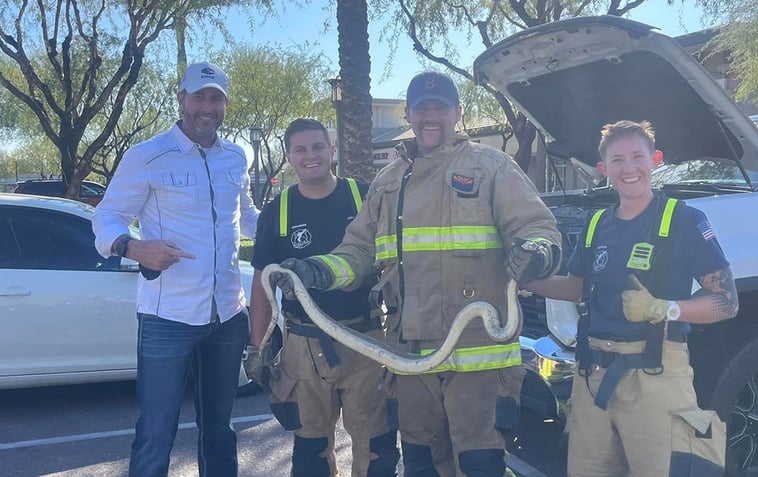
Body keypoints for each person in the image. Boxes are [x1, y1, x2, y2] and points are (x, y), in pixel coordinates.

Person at [272, 71, 562, 477]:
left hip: (478, 362)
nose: (430, 117)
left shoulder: (492, 167)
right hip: (411, 360)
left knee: (478, 465)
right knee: (422, 463)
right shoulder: (389, 183)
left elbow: (538, 227)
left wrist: (537, 251)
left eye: (440, 109)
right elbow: (358, 249)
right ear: (407, 113)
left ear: (457, 114)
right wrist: (316, 271)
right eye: (421, 109)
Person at [526, 120, 738, 477]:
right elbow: (576, 288)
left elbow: (727, 301)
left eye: (637, 157)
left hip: (655, 373)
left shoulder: (683, 220)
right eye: (618, 160)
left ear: (655, 160)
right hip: (592, 377)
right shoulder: (595, 225)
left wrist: (666, 308)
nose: (629, 169)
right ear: (603, 169)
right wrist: (527, 279)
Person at [92, 62, 260, 477]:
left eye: (216, 98)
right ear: (181, 99)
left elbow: (248, 216)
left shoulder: (237, 156)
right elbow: (107, 216)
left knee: (220, 430)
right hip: (168, 317)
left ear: (225, 104)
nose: (208, 107)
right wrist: (133, 247)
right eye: (199, 96)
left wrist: (292, 228)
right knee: (156, 431)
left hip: (228, 315)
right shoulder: (147, 155)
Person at [244, 118, 400, 476]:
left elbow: (394, 264)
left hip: (366, 341)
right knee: (310, 453)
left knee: (378, 451)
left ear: (332, 150)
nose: (310, 156)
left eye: (317, 147)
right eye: (300, 149)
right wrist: (257, 347)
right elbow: (261, 286)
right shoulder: (277, 212)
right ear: (289, 157)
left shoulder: (364, 197)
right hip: (305, 348)